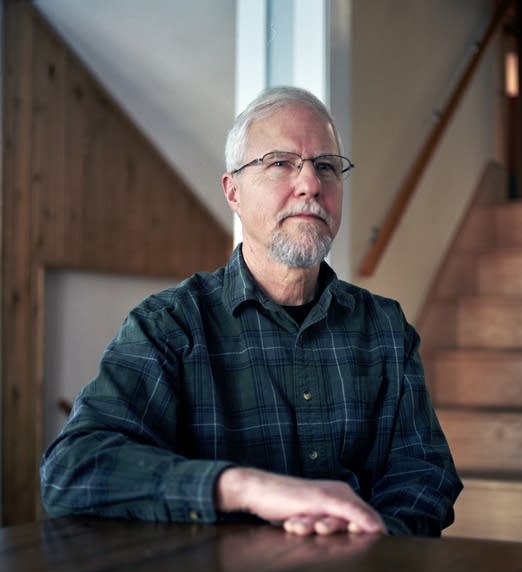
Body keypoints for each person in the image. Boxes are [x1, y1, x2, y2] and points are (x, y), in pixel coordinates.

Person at [40, 86, 462, 536]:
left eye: (326, 166)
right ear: (233, 192)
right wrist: (242, 486)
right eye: (281, 163)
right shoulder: (169, 326)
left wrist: (368, 539)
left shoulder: (386, 329)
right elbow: (73, 468)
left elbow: (425, 475)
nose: (310, 184)